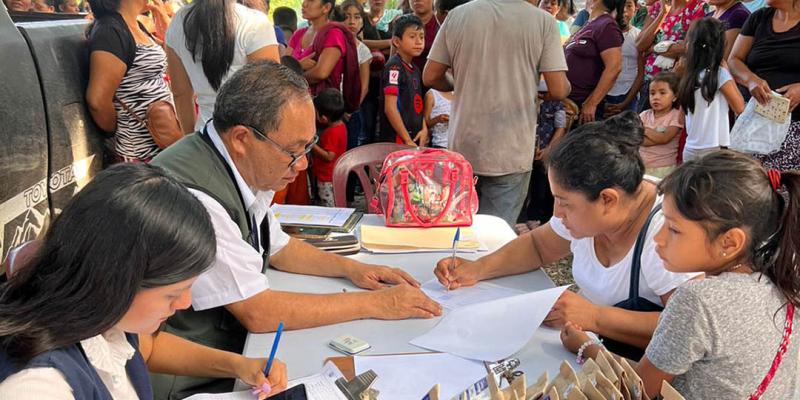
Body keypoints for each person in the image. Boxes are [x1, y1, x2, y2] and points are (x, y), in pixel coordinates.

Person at [150, 61, 441, 398]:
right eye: (293, 151)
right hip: (192, 381)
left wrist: (354, 269)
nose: (302, 163)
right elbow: (259, 312)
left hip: (236, 356)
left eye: (307, 146)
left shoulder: (238, 162)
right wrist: (376, 304)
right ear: (242, 138)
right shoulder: (197, 198)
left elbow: (279, 246)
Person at [0, 164, 288, 400]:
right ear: (113, 280)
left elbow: (147, 349)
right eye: (173, 293)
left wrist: (239, 365)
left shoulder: (99, 316)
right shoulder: (37, 387)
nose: (185, 302)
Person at [434, 112, 699, 359]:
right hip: (588, 348)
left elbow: (686, 331)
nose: (557, 213)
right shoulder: (589, 213)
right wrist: (478, 268)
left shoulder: (666, 233)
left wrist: (594, 317)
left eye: (564, 203)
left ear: (607, 200)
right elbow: (539, 246)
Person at [561, 151, 800, 399]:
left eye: (673, 229)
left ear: (729, 242)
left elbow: (637, 390)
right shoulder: (780, 281)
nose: (658, 238)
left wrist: (587, 347)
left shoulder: (698, 300)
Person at [423, 0, 570, 227]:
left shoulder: (458, 15)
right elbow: (558, 89)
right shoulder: (542, 21)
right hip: (511, 151)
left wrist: (458, 84)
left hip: (463, 146)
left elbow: (430, 76)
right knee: (495, 235)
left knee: (457, 229)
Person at [165, 0, 279, 134]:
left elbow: (180, 93)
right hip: (249, 136)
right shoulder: (256, 23)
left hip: (206, 134)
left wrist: (191, 137)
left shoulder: (178, 22)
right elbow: (271, 94)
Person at [85, 0, 174, 163]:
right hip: (140, 155)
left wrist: (163, 19)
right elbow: (97, 102)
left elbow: (171, 58)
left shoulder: (134, 25)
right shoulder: (111, 32)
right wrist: (121, 128)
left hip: (161, 146)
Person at [729, 0, 800, 171]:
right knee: (750, 181)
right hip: (754, 124)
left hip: (795, 127)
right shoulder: (758, 18)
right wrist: (750, 80)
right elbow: (734, 60)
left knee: (785, 183)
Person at [677, 18, 745, 161]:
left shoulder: (688, 77)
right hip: (714, 150)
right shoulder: (719, 74)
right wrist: (727, 72)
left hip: (690, 149)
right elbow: (739, 107)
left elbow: (680, 119)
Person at [635, 0, 708, 111]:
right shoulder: (658, 6)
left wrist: (652, 48)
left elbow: (686, 48)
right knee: (644, 119)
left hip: (674, 83)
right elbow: (640, 45)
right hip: (650, 83)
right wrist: (662, 14)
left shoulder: (698, 7)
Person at [565, 0, 624, 123]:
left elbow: (614, 67)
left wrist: (592, 103)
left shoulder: (607, 25)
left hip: (582, 107)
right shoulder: (589, 23)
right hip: (567, 103)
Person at [379, 15, 428, 145]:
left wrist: (424, 129)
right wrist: (407, 139)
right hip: (398, 139)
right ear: (396, 41)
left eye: (421, 37)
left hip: (414, 137)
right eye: (412, 37)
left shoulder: (416, 70)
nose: (419, 42)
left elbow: (418, 104)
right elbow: (390, 108)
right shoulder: (394, 67)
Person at [334, 0, 373, 148]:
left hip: (351, 111)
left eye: (357, 17)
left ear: (362, 21)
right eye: (346, 16)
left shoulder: (363, 50)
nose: (351, 21)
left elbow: (364, 87)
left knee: (349, 151)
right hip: (330, 108)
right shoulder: (332, 45)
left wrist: (351, 109)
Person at [639, 72, 683, 178]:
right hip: (641, 166)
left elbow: (665, 138)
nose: (656, 97)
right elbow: (633, 138)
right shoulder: (644, 115)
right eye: (652, 93)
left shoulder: (676, 116)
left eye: (662, 93)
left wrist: (644, 130)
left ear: (675, 96)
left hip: (664, 168)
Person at [605, 0, 643, 116]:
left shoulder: (639, 36)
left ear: (636, 9)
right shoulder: (603, 33)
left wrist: (625, 102)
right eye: (620, 5)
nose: (624, 10)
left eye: (629, 6)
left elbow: (640, 73)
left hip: (629, 94)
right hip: (604, 94)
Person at [311, 89, 348, 207]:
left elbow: (329, 156)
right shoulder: (342, 126)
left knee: (329, 206)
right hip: (336, 175)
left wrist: (311, 144)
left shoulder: (331, 133)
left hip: (327, 178)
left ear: (324, 118)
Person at [410, 0, 440, 74]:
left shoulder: (441, 23)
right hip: (405, 78)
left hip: (435, 78)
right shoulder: (401, 23)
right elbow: (393, 59)